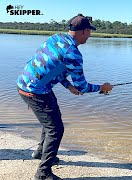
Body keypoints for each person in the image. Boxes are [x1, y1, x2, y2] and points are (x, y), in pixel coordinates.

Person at [17, 14, 113, 180]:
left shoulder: (56, 38)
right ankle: (43, 173)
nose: (90, 35)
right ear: (84, 31)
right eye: (90, 31)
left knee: (52, 120)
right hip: (35, 91)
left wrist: (68, 86)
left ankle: (41, 152)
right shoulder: (74, 54)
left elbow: (53, 65)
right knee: (56, 129)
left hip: (26, 83)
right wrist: (103, 88)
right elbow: (83, 86)